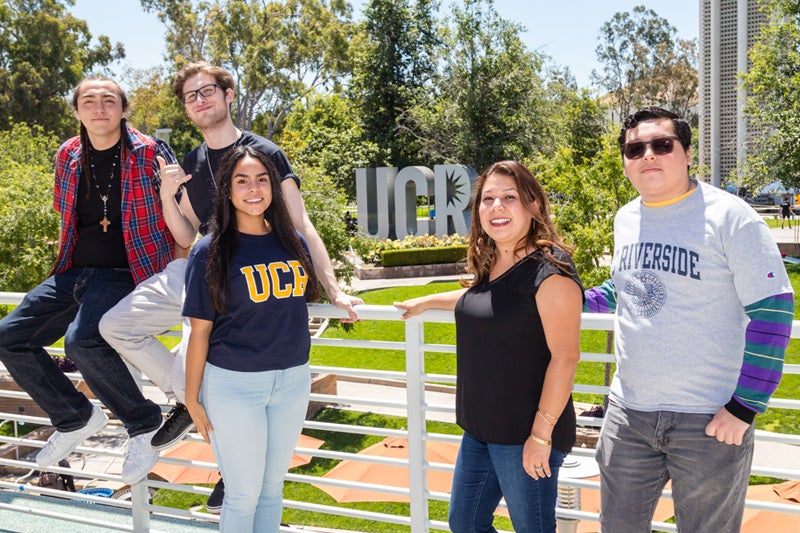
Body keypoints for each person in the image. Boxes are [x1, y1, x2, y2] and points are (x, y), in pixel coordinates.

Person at [99, 61, 363, 462]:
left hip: (237, 282)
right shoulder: (191, 161)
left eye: (207, 91)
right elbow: (187, 235)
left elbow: (301, 224)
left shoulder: (265, 153)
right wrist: (166, 196)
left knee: (197, 354)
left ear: (228, 95)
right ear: (186, 109)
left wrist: (335, 289)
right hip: (198, 267)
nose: (200, 101)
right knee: (113, 326)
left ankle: (194, 403)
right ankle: (186, 399)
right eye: (191, 97)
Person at [584, 106, 794, 532]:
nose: (648, 155)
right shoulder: (626, 218)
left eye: (661, 145)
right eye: (635, 148)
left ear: (686, 153)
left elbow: (773, 311)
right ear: (625, 160)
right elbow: (625, 288)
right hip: (628, 416)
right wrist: (566, 300)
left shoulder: (731, 217)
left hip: (710, 422)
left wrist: (744, 407)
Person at [0, 76, 178, 484]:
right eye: (90, 101)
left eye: (109, 101)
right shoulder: (68, 155)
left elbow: (180, 211)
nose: (100, 108)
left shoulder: (150, 152)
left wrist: (177, 272)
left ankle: (143, 420)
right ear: (78, 110)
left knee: (83, 340)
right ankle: (75, 416)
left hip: (127, 270)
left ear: (123, 109)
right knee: (9, 336)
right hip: (72, 270)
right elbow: (66, 216)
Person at [395, 161, 583, 533]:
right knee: (464, 524)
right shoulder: (495, 262)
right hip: (481, 428)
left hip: (525, 433)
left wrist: (540, 437)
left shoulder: (551, 271)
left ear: (533, 205)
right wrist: (428, 301)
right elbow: (485, 299)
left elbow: (566, 358)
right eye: (488, 199)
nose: (496, 207)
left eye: (509, 198)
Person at [183, 145, 318, 531]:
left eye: (262, 179)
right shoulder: (210, 251)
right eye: (242, 181)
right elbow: (200, 331)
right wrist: (192, 398)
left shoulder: (293, 242)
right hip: (234, 385)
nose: (253, 188)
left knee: (272, 488)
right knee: (243, 493)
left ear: (273, 186)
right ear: (227, 189)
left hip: (292, 381)